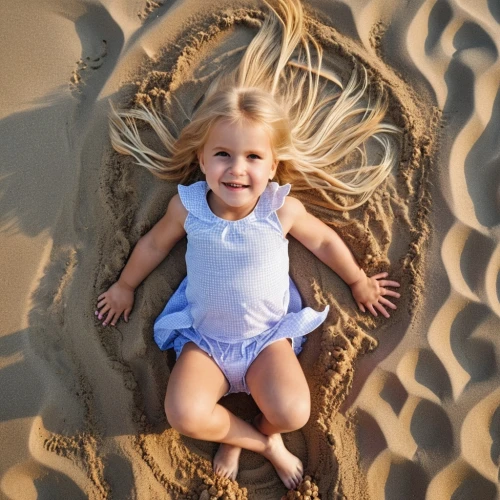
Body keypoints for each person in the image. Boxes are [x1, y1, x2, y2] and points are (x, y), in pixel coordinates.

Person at [95, 0, 401, 490]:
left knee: (293, 410)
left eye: (252, 157)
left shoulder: (279, 209)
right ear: (201, 158)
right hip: (206, 341)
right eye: (223, 155)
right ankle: (258, 442)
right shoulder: (189, 207)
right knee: (183, 412)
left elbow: (323, 240)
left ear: (273, 165)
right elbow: (154, 246)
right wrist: (126, 286)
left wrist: (358, 279)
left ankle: (251, 434)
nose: (237, 169)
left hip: (266, 341)